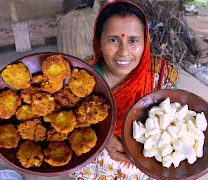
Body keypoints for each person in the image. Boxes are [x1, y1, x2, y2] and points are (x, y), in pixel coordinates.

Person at [70, 0, 178, 179]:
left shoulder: (162, 76)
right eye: (113, 39)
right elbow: (68, 120)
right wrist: (103, 138)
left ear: (145, 41)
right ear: (99, 42)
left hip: (142, 163)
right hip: (95, 159)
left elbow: (172, 125)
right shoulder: (83, 78)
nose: (124, 52)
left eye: (133, 40)